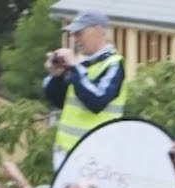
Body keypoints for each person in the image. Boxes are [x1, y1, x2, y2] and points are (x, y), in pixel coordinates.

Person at [42, 11, 126, 170]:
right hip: (65, 151)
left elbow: (96, 101)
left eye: (79, 33)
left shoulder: (113, 64)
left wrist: (74, 67)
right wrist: (56, 75)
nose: (75, 39)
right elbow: (57, 101)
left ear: (98, 31)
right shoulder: (81, 64)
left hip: (95, 155)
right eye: (73, 35)